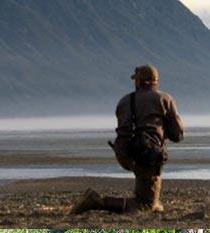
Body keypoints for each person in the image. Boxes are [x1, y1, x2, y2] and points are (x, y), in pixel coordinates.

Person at [71, 64, 184, 214]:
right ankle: (96, 201)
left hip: (125, 153)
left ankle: (152, 200)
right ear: (155, 81)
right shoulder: (164, 99)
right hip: (148, 155)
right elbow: (178, 135)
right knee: (144, 205)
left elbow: (124, 131)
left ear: (138, 81)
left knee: (151, 197)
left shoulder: (125, 101)